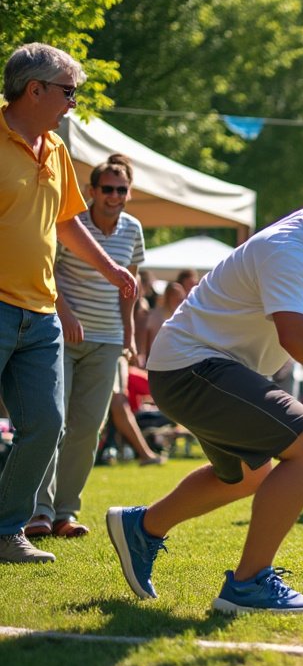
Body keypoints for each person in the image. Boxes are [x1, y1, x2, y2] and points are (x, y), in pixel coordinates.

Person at [107, 155, 303, 612]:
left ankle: (141, 528)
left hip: (204, 370)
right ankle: (248, 585)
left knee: (247, 476)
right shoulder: (290, 248)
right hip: (192, 368)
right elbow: (295, 333)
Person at [1, 44, 137, 564]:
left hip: (40, 313)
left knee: (47, 424)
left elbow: (66, 223)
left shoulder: (55, 148)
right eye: (67, 92)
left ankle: (8, 529)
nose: (72, 103)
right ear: (34, 90)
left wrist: (112, 270)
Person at [24, 154, 147, 540]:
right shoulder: (70, 224)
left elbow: (130, 284)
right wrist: (66, 314)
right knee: (52, 422)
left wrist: (127, 332)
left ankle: (65, 513)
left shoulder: (133, 229)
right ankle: (39, 511)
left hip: (107, 340)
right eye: (107, 189)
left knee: (88, 428)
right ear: (91, 191)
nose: (114, 196)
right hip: (59, 332)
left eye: (121, 189)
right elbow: (46, 270)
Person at [140, 281, 185, 364]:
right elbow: (146, 339)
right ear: (167, 296)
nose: (178, 298)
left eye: (180, 296)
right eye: (174, 295)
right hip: (157, 360)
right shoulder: (155, 315)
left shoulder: (184, 317)